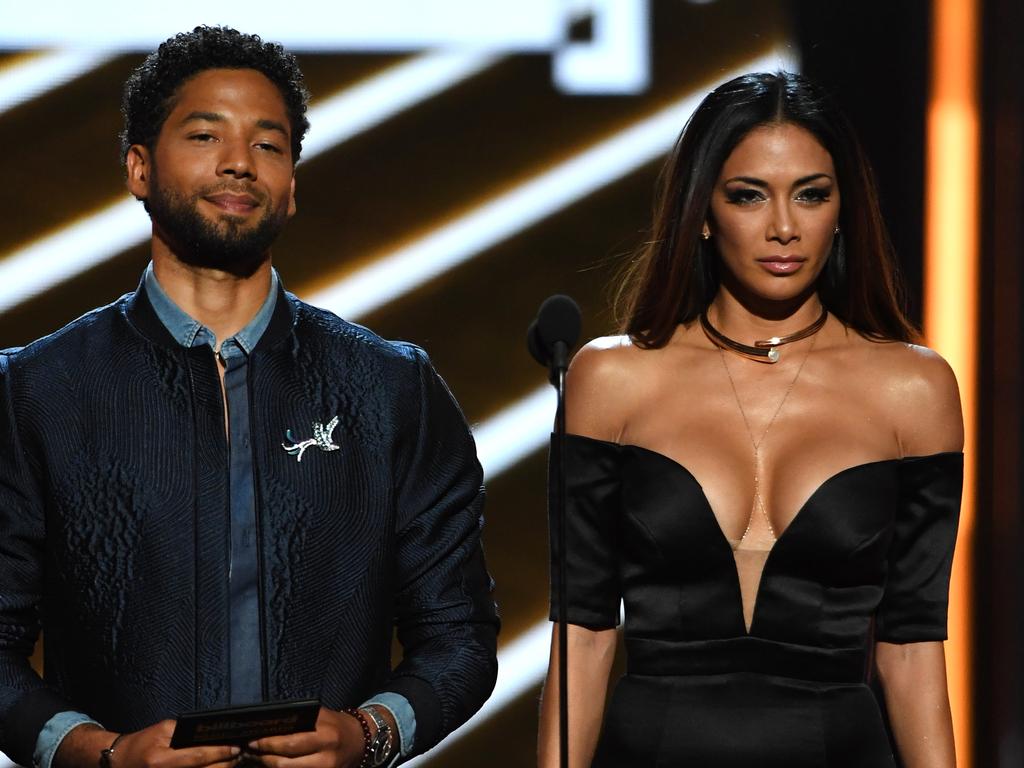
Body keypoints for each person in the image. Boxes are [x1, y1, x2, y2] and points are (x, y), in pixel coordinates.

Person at [0, 26, 498, 768]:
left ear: (292, 186)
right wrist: (97, 754)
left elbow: (459, 635)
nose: (239, 161)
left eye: (269, 144)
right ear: (138, 167)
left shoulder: (393, 387)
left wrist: (368, 736)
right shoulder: (35, 390)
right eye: (205, 135)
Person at [537, 71, 962, 767]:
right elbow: (581, 636)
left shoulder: (913, 388)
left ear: (842, 210)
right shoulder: (610, 379)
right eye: (748, 196)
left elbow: (913, 649)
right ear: (702, 211)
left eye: (812, 194)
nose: (784, 227)